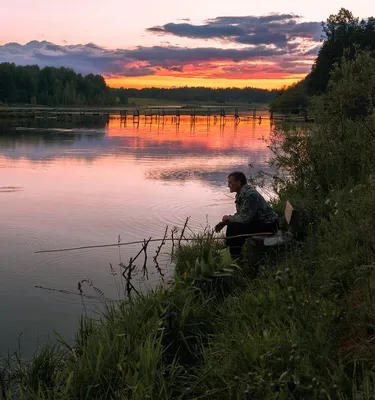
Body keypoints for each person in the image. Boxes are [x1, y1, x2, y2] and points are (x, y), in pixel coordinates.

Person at [215, 171, 278, 258]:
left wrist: (228, 219)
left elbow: (244, 219)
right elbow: (241, 214)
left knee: (237, 227)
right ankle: (229, 252)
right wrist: (226, 222)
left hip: (268, 225)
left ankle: (234, 256)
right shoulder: (241, 193)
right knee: (233, 224)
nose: (228, 185)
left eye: (230, 182)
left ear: (238, 182)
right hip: (260, 222)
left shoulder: (250, 195)